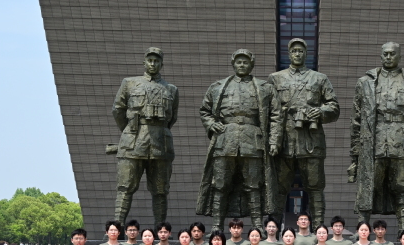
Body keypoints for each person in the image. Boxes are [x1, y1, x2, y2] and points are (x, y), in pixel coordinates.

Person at [348, 42, 404, 232]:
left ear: (399, 56)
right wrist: (355, 153)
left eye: (392, 54)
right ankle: (362, 228)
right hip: (374, 140)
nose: (388, 57)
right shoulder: (366, 82)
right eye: (385, 54)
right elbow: (356, 120)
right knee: (368, 184)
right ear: (380, 56)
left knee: (402, 187)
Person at [196, 48, 280, 233]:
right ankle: (217, 227)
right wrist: (211, 124)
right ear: (233, 64)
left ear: (252, 65)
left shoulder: (265, 88)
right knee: (220, 184)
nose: (242, 65)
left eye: (245, 62)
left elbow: (276, 116)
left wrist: (274, 141)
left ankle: (257, 226)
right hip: (225, 140)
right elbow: (205, 110)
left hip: (253, 141)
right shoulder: (217, 87)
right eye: (239, 62)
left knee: (254, 185)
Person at [268, 38, 340, 228]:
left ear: (306, 54)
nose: (297, 54)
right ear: (289, 54)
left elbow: (334, 107)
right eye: (294, 51)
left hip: (311, 141)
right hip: (284, 141)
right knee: (278, 188)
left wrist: (320, 112)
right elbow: (267, 110)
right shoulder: (275, 78)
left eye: (301, 51)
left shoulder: (319, 78)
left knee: (316, 188)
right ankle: (273, 228)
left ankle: (319, 228)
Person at [111, 47, 178, 229]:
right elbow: (117, 110)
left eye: (156, 61)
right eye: (150, 60)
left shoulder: (171, 89)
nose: (153, 64)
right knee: (125, 187)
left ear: (161, 64)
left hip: (160, 144)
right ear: (144, 63)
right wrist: (129, 131)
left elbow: (172, 118)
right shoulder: (129, 83)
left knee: (160, 190)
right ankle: (116, 229)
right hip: (132, 142)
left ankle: (161, 231)